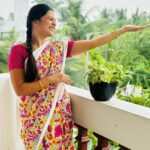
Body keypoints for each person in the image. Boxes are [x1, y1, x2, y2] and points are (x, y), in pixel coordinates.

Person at [8, 3, 149, 150]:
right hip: (34, 120)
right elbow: (20, 89)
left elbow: (92, 43)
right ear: (35, 21)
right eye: (50, 19)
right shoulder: (18, 51)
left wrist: (122, 30)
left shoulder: (58, 49)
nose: (54, 23)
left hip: (59, 116)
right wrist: (51, 79)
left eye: (55, 20)